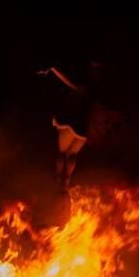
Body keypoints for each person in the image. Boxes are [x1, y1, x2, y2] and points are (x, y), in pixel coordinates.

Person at [37, 61, 102, 190]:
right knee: (72, 154)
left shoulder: (85, 83)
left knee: (62, 153)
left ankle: (58, 179)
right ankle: (66, 180)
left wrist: (53, 69)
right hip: (84, 127)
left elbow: (69, 83)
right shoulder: (97, 86)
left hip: (71, 121)